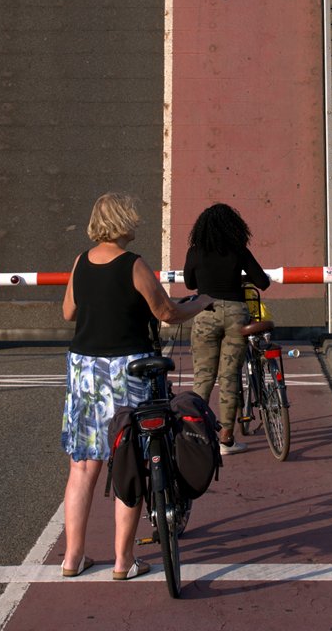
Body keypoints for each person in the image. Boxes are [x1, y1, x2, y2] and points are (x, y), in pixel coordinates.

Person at [60, 191, 213, 580]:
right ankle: (122, 561)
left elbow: (68, 312)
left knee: (82, 466)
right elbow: (166, 313)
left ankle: (72, 558)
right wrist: (199, 303)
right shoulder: (133, 265)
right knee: (130, 460)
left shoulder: (80, 262)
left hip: (85, 368)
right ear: (123, 223)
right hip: (128, 368)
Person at [184, 203, 270, 456]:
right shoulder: (238, 250)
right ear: (235, 227)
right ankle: (226, 439)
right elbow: (262, 282)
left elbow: (190, 283)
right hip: (235, 314)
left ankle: (197, 437)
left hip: (205, 313)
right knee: (229, 377)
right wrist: (240, 278)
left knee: (203, 377)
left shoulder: (196, 251)